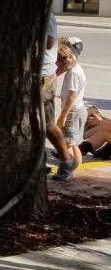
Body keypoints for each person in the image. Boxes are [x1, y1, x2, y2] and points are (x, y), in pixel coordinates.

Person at [41, 14, 79, 180]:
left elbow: (49, 41)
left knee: (47, 123)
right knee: (31, 124)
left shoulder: (46, 14)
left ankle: (67, 159)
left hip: (43, 78)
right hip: (29, 76)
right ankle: (36, 162)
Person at [53, 38, 86, 178]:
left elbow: (72, 96)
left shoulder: (74, 73)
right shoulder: (74, 69)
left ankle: (67, 172)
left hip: (73, 111)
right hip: (78, 110)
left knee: (66, 144)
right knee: (73, 143)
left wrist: (63, 115)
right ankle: (74, 169)